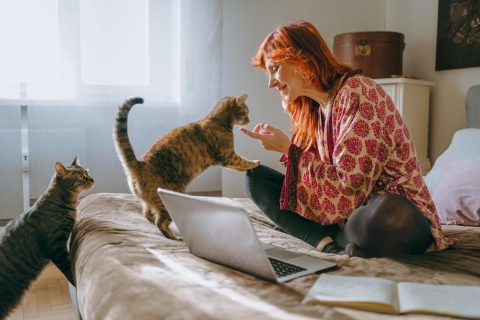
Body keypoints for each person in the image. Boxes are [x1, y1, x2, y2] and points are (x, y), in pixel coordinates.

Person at [240, 20, 456, 257]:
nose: (271, 83)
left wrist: (288, 149)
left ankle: (340, 238)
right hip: (345, 217)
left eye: (275, 69)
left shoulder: (359, 92)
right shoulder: (312, 110)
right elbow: (313, 185)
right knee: (254, 178)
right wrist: (288, 149)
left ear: (302, 59)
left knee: (389, 211)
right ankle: (329, 244)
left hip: (389, 217)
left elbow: (350, 187)